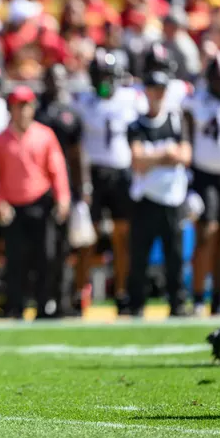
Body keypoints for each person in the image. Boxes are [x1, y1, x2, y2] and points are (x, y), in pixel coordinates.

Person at [73, 48, 147, 314]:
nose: (104, 81)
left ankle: (122, 292)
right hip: (92, 173)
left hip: (121, 172)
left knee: (122, 236)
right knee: (86, 237)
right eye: (99, 75)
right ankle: (81, 293)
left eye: (107, 75)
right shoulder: (82, 100)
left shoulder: (131, 98)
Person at [0, 86, 71, 319]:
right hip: (13, 207)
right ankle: (16, 306)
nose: (23, 111)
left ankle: (45, 305)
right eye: (18, 106)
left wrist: (62, 198)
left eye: (27, 106)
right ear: (11, 110)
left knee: (46, 257)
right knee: (15, 259)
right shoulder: (0, 140)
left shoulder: (45, 134)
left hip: (40, 203)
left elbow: (57, 169)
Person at [127, 69, 192, 316]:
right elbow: (137, 160)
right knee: (139, 255)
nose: (157, 94)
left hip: (173, 198)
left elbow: (185, 156)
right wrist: (167, 155)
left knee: (174, 255)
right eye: (153, 89)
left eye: (161, 90)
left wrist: (151, 157)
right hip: (145, 198)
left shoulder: (175, 121)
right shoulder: (137, 124)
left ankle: (177, 302)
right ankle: (136, 304)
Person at [34, 64, 89, 316]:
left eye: (59, 78)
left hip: (65, 187)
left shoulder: (70, 112)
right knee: (43, 249)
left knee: (66, 249)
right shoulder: (35, 110)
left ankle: (64, 299)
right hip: (39, 188)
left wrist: (83, 186)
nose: (55, 83)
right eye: (51, 78)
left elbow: (78, 153)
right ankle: (43, 301)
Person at [184, 52, 220, 316]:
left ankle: (218, 298)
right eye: (216, 80)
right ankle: (197, 297)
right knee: (206, 234)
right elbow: (183, 120)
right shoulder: (196, 100)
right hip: (205, 174)